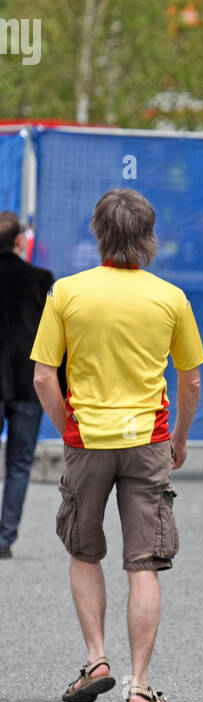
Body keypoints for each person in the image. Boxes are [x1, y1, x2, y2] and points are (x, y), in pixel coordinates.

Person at [31, 189, 203, 702]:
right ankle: (140, 685)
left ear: (97, 233)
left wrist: (69, 427)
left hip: (88, 440)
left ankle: (96, 660)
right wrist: (179, 441)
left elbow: (43, 376)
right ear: (149, 236)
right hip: (148, 441)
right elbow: (190, 381)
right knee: (143, 562)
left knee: (84, 551)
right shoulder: (171, 297)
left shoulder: (66, 293)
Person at [0, 212, 53, 558]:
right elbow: (54, 337)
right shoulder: (41, 279)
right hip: (28, 382)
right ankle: (4, 538)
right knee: (19, 463)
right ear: (20, 241)